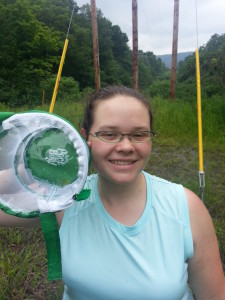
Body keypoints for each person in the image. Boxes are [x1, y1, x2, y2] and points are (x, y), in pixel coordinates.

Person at [0, 85, 224, 299]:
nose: (126, 146)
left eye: (139, 134)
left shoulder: (185, 207)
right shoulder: (64, 200)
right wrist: (32, 163)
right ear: (84, 138)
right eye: (109, 134)